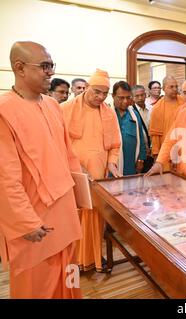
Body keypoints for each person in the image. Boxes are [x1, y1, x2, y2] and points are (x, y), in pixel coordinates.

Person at [0, 41, 82, 298]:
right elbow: (5, 177)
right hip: (35, 221)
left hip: (65, 212)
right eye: (44, 66)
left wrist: (80, 195)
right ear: (19, 68)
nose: (50, 72)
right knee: (37, 286)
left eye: (51, 66)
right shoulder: (4, 111)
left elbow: (69, 156)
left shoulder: (52, 105)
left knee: (70, 276)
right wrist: (26, 222)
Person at [61, 68, 121, 273]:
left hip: (98, 174)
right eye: (97, 91)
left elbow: (115, 144)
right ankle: (74, 259)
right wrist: (77, 167)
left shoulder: (108, 112)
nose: (101, 97)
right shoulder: (65, 108)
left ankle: (93, 258)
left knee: (95, 218)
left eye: (105, 93)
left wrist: (112, 162)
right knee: (75, 217)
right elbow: (58, 143)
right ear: (86, 87)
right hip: (73, 174)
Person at [148, 76, 185, 172]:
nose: (175, 89)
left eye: (176, 87)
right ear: (163, 88)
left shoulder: (184, 103)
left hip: (184, 152)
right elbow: (155, 137)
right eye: (171, 87)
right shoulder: (157, 108)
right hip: (166, 154)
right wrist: (157, 159)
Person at [112, 81, 146, 176]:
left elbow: (141, 138)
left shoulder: (134, 115)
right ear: (113, 96)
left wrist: (141, 160)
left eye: (128, 97)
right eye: (121, 98)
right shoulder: (107, 114)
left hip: (131, 164)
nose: (125, 101)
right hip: (112, 165)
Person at [132, 84, 153, 173]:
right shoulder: (131, 111)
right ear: (132, 97)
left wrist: (152, 147)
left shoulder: (152, 109)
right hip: (138, 152)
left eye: (142, 95)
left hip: (151, 150)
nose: (140, 98)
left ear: (146, 95)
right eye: (137, 96)